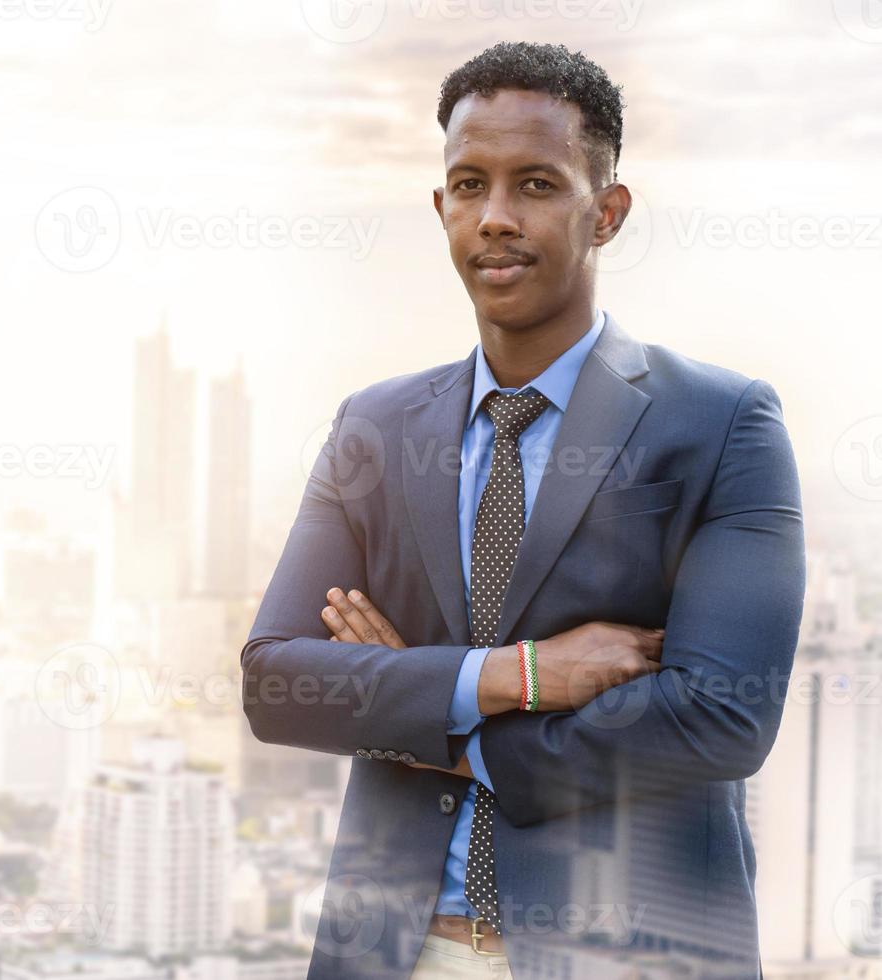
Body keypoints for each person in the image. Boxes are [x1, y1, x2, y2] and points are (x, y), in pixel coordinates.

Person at [241, 41, 805, 980]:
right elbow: (276, 682)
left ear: (607, 212)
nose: (495, 218)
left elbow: (718, 718)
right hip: (395, 954)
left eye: (537, 184)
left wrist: (432, 718)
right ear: (441, 208)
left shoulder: (722, 423)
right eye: (469, 185)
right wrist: (515, 675)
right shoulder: (374, 428)